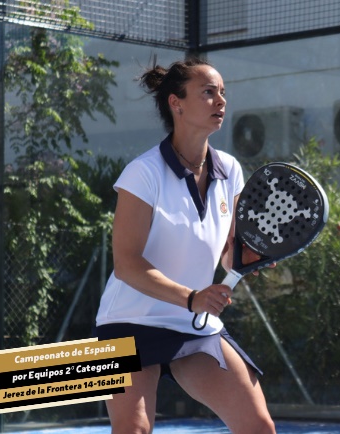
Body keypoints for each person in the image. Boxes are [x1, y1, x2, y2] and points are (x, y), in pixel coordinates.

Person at [94, 58, 276, 434]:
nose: (221, 101)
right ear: (176, 103)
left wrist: (246, 258)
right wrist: (191, 297)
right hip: (129, 323)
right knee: (134, 430)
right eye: (208, 92)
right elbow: (127, 264)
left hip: (194, 326)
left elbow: (229, 252)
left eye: (222, 93)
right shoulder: (142, 173)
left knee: (258, 427)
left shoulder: (231, 170)